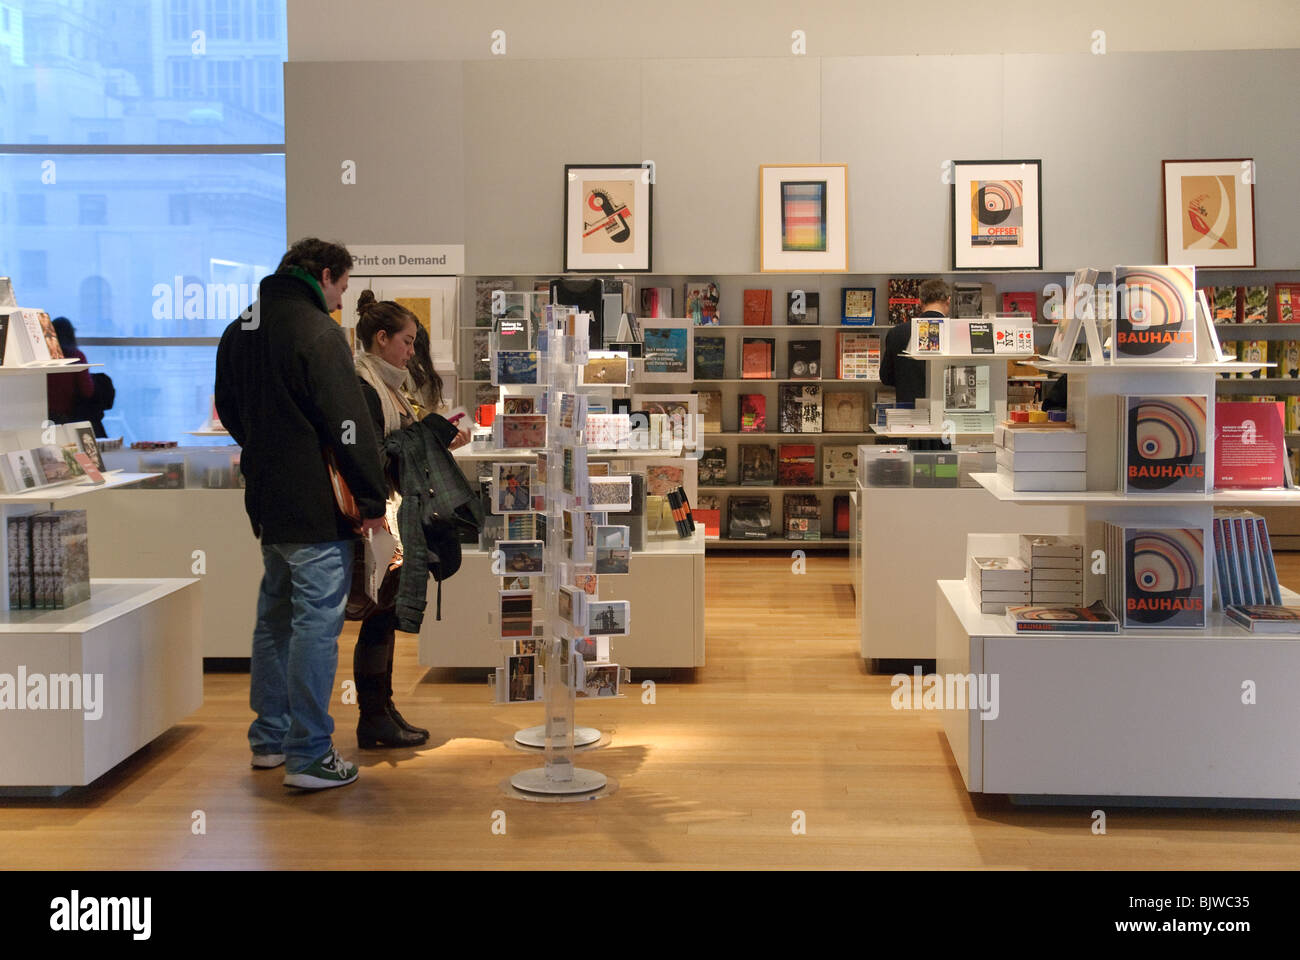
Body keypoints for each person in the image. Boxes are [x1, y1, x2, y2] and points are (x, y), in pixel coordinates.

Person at [215, 238, 388, 791]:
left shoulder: (240, 326)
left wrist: (269, 452)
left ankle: (269, 740)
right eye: (340, 287)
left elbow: (230, 410)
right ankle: (310, 755)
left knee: (275, 619)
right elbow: (349, 421)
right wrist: (369, 499)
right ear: (326, 273)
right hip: (316, 502)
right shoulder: (316, 330)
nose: (340, 301)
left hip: (266, 499)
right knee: (317, 624)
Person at [352, 290, 470, 748]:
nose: (411, 351)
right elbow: (375, 454)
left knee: (385, 615)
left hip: (393, 514)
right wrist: (430, 438)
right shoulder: (365, 387)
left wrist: (432, 438)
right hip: (379, 519)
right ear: (381, 339)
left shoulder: (387, 387)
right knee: (379, 616)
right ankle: (373, 716)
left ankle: (381, 710)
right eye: (406, 341)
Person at [880, 279, 952, 452]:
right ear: (948, 300)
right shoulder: (956, 331)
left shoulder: (897, 333)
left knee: (912, 468)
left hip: (908, 419)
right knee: (944, 468)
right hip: (947, 420)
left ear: (920, 302)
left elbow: (886, 377)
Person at [46, 317, 95, 425]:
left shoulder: (43, 357)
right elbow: (87, 390)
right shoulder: (77, 356)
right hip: (69, 416)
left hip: (41, 415)